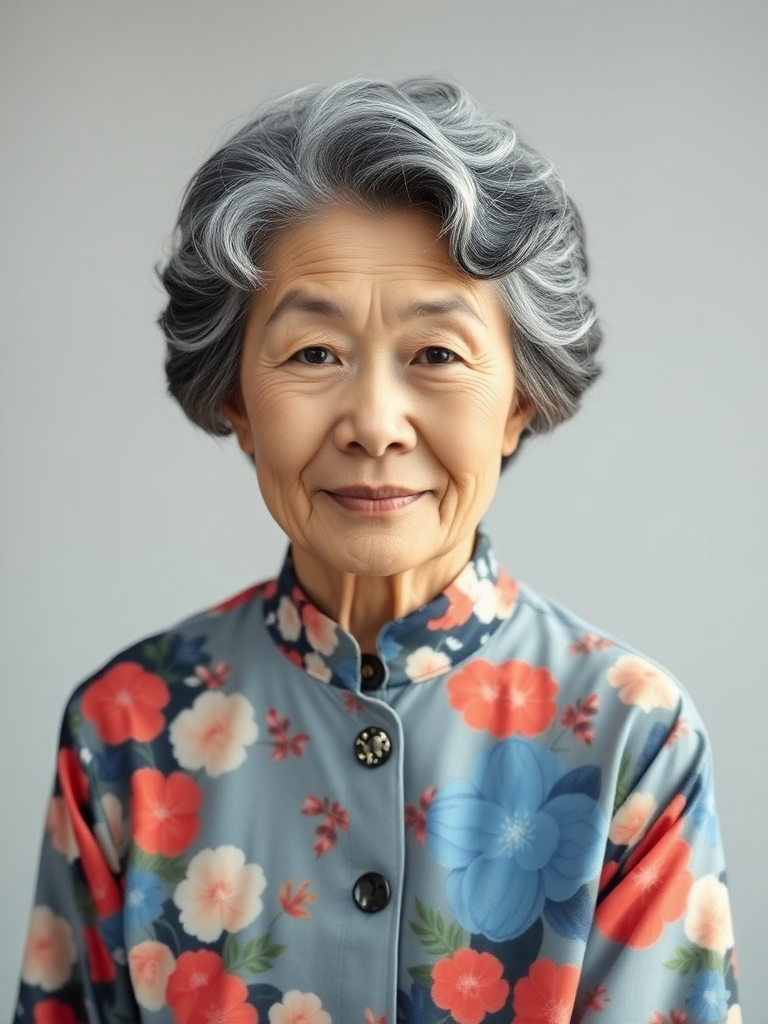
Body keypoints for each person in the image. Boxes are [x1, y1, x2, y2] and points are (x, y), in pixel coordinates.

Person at [16, 78, 739, 1024]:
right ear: (234, 398)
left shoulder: (630, 737)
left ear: (521, 399)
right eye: (314, 353)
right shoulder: (127, 730)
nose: (373, 423)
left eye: (436, 354)